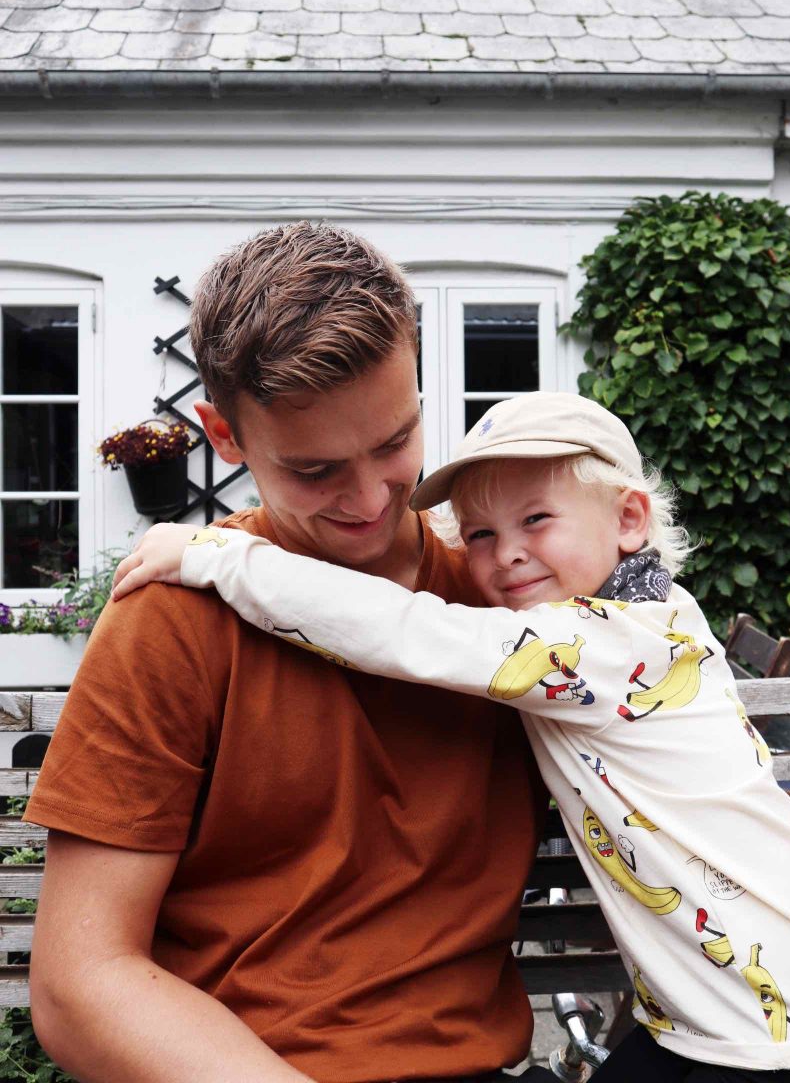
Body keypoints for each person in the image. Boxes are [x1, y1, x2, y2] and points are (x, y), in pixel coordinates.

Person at [114, 392, 790, 1081]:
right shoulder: (657, 614)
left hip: (763, 1026)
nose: (508, 555)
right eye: (480, 535)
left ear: (628, 520)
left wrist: (217, 555)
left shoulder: (610, 645)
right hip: (700, 1020)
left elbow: (404, 629)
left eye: (536, 519)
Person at [24, 223, 549, 1083]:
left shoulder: (507, 601)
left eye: (396, 442)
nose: (370, 498)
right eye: (314, 471)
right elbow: (81, 983)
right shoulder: (172, 619)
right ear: (223, 435)